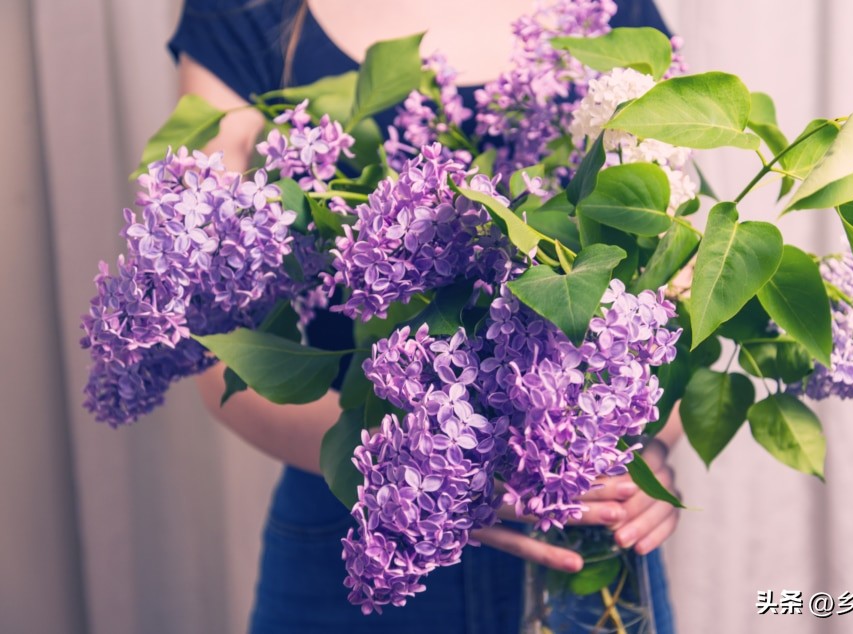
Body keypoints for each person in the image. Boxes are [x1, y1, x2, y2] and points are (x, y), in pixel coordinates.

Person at [169, 0, 683, 631]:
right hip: (370, 524)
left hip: (579, 525)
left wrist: (645, 448)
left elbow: (673, 279)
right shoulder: (248, 13)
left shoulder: (608, 12)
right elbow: (214, 350)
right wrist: (425, 467)